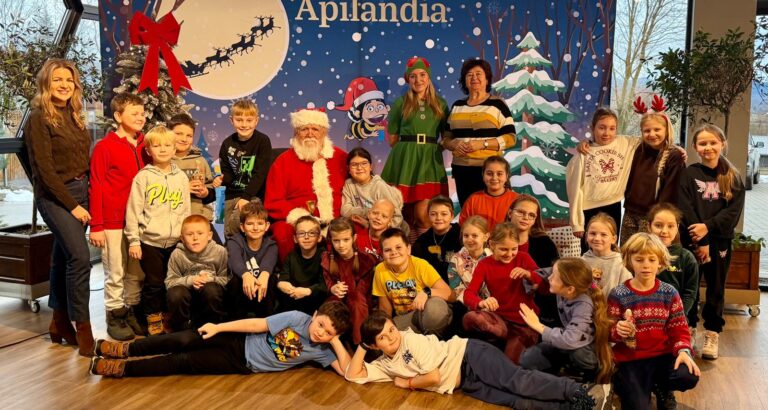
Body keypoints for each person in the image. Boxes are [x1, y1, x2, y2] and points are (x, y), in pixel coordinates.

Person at [344, 311, 605, 410]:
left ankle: (584, 392)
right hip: (464, 382)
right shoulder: (386, 364)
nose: (392, 336)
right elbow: (353, 375)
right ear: (374, 345)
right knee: (514, 401)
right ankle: (575, 407)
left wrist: (408, 383)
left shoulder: (410, 339)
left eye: (391, 329)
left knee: (518, 381)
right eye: (382, 337)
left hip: (469, 355)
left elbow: (433, 377)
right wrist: (362, 347)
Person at [24, 59, 95, 356]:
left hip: (81, 191)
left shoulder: (76, 115)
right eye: (57, 80)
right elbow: (44, 171)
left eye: (68, 80)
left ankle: (59, 321)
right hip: (55, 196)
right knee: (80, 257)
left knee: (63, 257)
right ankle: (83, 326)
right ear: (46, 84)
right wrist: (73, 206)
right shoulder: (38, 118)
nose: (64, 85)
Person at [89, 301, 352, 378]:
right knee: (181, 340)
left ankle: (120, 368)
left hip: (241, 364)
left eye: (329, 332)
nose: (321, 333)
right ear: (315, 315)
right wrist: (218, 327)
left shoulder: (324, 350)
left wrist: (334, 342)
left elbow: (350, 372)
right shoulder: (297, 318)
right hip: (238, 339)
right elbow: (257, 324)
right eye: (321, 324)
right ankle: (125, 349)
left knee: (182, 361)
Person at [609, 233, 700, 410]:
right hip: (632, 360)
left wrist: (683, 351)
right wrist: (618, 330)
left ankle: (661, 387)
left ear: (660, 262)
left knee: (688, 375)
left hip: (663, 356)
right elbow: (608, 331)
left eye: (652, 259)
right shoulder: (618, 294)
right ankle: (625, 385)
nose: (646, 265)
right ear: (629, 261)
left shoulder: (670, 292)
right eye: (639, 259)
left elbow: (679, 329)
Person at [677, 124, 744, 360]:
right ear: (695, 147)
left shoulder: (732, 176)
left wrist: (708, 227)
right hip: (693, 240)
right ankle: (688, 329)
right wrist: (701, 238)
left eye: (713, 142)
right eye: (703, 143)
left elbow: (732, 214)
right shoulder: (688, 174)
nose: (708, 147)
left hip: (720, 242)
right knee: (690, 286)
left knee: (716, 287)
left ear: (722, 144)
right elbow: (685, 208)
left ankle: (712, 332)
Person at [88, 92, 147, 341]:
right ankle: (115, 314)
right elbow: (96, 185)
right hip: (112, 221)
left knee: (136, 271)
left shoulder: (145, 145)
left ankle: (131, 310)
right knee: (115, 270)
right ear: (118, 116)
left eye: (142, 113)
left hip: (139, 220)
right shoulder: (105, 147)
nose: (140, 117)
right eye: (134, 113)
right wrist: (96, 225)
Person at [125, 125, 191, 335]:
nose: (163, 149)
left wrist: (186, 237)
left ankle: (168, 317)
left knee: (171, 282)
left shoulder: (181, 177)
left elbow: (186, 210)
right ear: (148, 150)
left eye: (167, 145)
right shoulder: (143, 177)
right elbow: (133, 210)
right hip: (150, 241)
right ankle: (153, 319)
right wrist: (134, 240)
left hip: (175, 241)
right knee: (154, 283)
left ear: (174, 148)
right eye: (157, 146)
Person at [264, 108, 347, 261]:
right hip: (296, 222)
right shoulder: (283, 162)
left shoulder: (341, 157)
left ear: (324, 132)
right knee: (282, 232)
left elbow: (360, 185)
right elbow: (273, 202)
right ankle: (291, 272)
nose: (310, 134)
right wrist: (302, 218)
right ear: (296, 132)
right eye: (304, 129)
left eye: (315, 129)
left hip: (337, 220)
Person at [380, 57, 449, 240]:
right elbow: (392, 138)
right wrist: (408, 151)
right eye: (413, 76)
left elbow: (447, 137)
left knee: (423, 215)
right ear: (408, 79)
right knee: (401, 213)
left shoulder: (441, 104)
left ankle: (423, 252)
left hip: (428, 162)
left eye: (422, 75)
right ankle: (407, 250)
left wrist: (431, 149)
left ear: (429, 77)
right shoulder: (400, 103)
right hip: (404, 160)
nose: (418, 80)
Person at [519, 258, 613, 384]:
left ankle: (588, 378)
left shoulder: (584, 305)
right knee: (528, 359)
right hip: (566, 339)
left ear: (570, 289)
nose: (550, 278)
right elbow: (546, 273)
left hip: (583, 348)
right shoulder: (566, 282)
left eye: (554, 277)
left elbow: (571, 339)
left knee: (578, 353)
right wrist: (530, 276)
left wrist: (538, 326)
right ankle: (554, 375)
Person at [461, 222, 544, 364]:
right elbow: (468, 294)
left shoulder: (523, 258)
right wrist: (481, 302)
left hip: (525, 323)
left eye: (514, 249)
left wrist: (529, 275)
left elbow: (545, 286)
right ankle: (498, 340)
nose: (509, 254)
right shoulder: (485, 264)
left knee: (509, 365)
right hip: (500, 321)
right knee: (470, 318)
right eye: (504, 249)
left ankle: (519, 343)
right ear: (492, 245)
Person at [442, 59, 516, 206]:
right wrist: (453, 144)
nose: (474, 78)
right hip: (462, 171)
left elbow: (510, 138)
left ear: (487, 79)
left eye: (478, 74)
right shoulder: (457, 106)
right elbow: (446, 139)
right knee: (469, 212)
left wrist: (483, 144)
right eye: (469, 75)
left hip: (489, 171)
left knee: (492, 212)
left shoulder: (497, 104)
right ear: (464, 81)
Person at [566, 107, 641, 252]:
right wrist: (577, 223)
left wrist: (676, 149)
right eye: (602, 128)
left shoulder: (625, 143)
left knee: (610, 251)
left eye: (612, 128)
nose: (607, 133)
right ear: (592, 127)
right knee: (589, 252)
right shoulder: (583, 154)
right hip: (589, 209)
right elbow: (574, 190)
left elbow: (654, 140)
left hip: (613, 206)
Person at [373, 228, 453, 337]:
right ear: (382, 254)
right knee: (384, 336)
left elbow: (451, 294)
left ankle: (431, 340)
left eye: (398, 247)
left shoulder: (421, 265)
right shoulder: (380, 270)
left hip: (427, 311)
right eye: (387, 250)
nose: (394, 252)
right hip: (406, 318)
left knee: (435, 310)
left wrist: (427, 292)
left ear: (408, 249)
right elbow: (385, 308)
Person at [621, 111, 685, 244]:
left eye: (657, 129)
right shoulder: (638, 149)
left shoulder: (674, 156)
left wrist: (658, 218)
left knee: (646, 252)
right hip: (630, 212)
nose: (652, 134)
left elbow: (671, 192)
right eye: (647, 130)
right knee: (627, 250)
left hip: (652, 216)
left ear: (666, 130)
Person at [165, 215, 229, 332]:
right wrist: (191, 280)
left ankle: (212, 328)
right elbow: (170, 282)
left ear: (209, 235)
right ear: (182, 238)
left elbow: (226, 279)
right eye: (190, 234)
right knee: (175, 293)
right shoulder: (177, 254)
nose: (195, 238)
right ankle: (182, 330)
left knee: (211, 289)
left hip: (211, 297)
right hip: (186, 297)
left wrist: (208, 279)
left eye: (200, 233)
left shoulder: (220, 252)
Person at [505, 195, 561, 327]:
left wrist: (536, 282)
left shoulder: (545, 243)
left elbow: (554, 279)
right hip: (503, 301)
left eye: (531, 215)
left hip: (538, 306)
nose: (525, 218)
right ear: (510, 213)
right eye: (521, 212)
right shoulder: (496, 239)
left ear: (535, 219)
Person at [219, 99, 272, 237]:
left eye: (249, 120)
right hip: (231, 195)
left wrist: (246, 197)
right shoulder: (227, 144)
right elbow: (227, 172)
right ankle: (231, 247)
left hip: (254, 194)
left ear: (256, 121)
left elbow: (260, 173)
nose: (244, 125)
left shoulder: (263, 141)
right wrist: (221, 180)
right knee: (227, 231)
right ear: (231, 120)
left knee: (236, 224)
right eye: (239, 120)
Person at [322, 217, 377, 345]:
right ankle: (330, 342)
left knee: (356, 300)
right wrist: (332, 288)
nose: (341, 245)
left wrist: (346, 290)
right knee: (333, 302)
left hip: (359, 304)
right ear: (331, 240)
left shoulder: (366, 260)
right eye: (336, 241)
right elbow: (326, 282)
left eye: (346, 240)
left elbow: (363, 290)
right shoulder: (327, 259)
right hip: (337, 300)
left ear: (354, 238)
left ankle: (361, 344)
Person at [647, 203, 700, 334]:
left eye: (670, 226)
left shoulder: (687, 258)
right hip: (644, 317)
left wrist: (676, 315)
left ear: (677, 227)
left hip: (675, 320)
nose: (664, 231)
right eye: (658, 225)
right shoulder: (640, 254)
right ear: (649, 226)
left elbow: (690, 293)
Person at [170, 112, 221, 244]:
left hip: (200, 218)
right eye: (179, 134)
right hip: (173, 222)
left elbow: (211, 190)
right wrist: (183, 189)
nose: (184, 139)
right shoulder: (164, 161)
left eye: (189, 135)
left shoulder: (200, 160)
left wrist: (206, 193)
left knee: (219, 251)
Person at [226, 200, 278, 319]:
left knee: (272, 279)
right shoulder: (234, 241)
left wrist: (264, 275)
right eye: (250, 224)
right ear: (242, 227)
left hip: (261, 292)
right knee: (234, 280)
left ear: (267, 226)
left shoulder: (271, 245)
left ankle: (266, 322)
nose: (255, 228)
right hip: (240, 295)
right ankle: (236, 325)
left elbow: (268, 265)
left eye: (260, 223)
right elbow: (235, 261)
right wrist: (246, 275)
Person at [341, 147, 404, 229]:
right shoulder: (349, 184)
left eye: (364, 163)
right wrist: (369, 213)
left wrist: (370, 220)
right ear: (348, 169)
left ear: (370, 167)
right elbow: (345, 210)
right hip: (365, 228)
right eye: (354, 164)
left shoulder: (379, 186)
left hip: (387, 231)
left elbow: (397, 217)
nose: (359, 168)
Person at [277, 216, 328, 314]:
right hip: (294, 302)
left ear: (319, 238)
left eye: (312, 233)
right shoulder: (291, 256)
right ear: (295, 238)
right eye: (301, 233)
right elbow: (283, 278)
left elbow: (325, 285)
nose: (306, 237)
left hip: (317, 304)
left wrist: (308, 291)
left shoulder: (324, 256)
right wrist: (282, 284)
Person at [458, 155, 518, 231]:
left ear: (507, 176)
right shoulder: (473, 199)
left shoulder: (517, 200)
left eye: (499, 174)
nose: (494, 178)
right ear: (483, 175)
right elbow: (463, 227)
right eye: (489, 174)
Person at [581, 213, 632, 298]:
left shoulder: (621, 263)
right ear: (586, 236)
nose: (597, 238)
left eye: (603, 235)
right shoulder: (581, 262)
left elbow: (627, 292)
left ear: (613, 239)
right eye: (593, 233)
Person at [412, 195, 462, 282]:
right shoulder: (421, 242)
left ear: (452, 216)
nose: (438, 218)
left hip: (459, 283)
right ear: (428, 216)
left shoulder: (462, 236)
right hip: (432, 285)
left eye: (444, 214)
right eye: (433, 214)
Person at [445, 216, 491, 304]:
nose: (469, 239)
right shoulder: (455, 260)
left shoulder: (493, 258)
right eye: (466, 235)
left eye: (474, 236)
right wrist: (478, 303)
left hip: (492, 304)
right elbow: (457, 289)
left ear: (486, 237)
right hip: (466, 305)